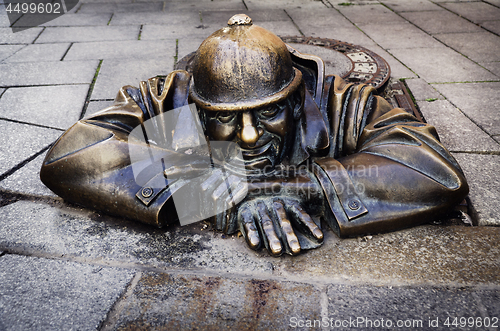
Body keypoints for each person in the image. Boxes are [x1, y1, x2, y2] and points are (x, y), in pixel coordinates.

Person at [40, 14, 468, 256]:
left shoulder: (340, 103)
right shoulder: (172, 98)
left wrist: (296, 186)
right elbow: (72, 156)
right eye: (225, 118)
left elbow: (434, 170)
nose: (247, 136)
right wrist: (212, 190)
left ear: (297, 101)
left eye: (268, 113)